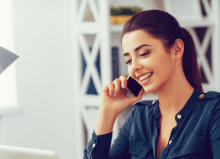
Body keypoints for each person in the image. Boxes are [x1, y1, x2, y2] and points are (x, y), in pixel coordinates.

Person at [83, 9, 220, 159]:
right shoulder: (139, 116)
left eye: (143, 53)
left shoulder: (213, 110)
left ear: (177, 50)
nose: (134, 67)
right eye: (129, 60)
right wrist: (107, 113)